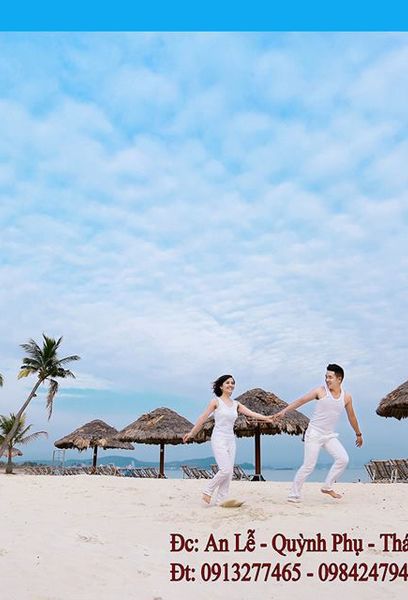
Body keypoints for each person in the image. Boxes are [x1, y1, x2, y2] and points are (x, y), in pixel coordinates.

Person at [272, 364, 363, 503]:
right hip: (314, 433)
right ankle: (293, 495)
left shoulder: (346, 397)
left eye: (330, 377)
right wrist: (284, 411)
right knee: (308, 466)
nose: (327, 379)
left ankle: (327, 487)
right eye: (326, 377)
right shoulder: (320, 391)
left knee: (343, 459)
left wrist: (358, 434)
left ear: (339, 379)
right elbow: (301, 401)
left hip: (329, 435)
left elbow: (352, 416)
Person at [183, 374, 273, 506]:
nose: (231, 385)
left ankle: (221, 500)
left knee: (229, 472)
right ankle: (208, 490)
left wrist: (267, 418)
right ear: (221, 386)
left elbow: (252, 413)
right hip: (218, 437)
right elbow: (203, 418)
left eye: (232, 383)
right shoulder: (216, 402)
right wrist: (192, 433)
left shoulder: (236, 404)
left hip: (231, 439)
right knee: (225, 469)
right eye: (228, 382)